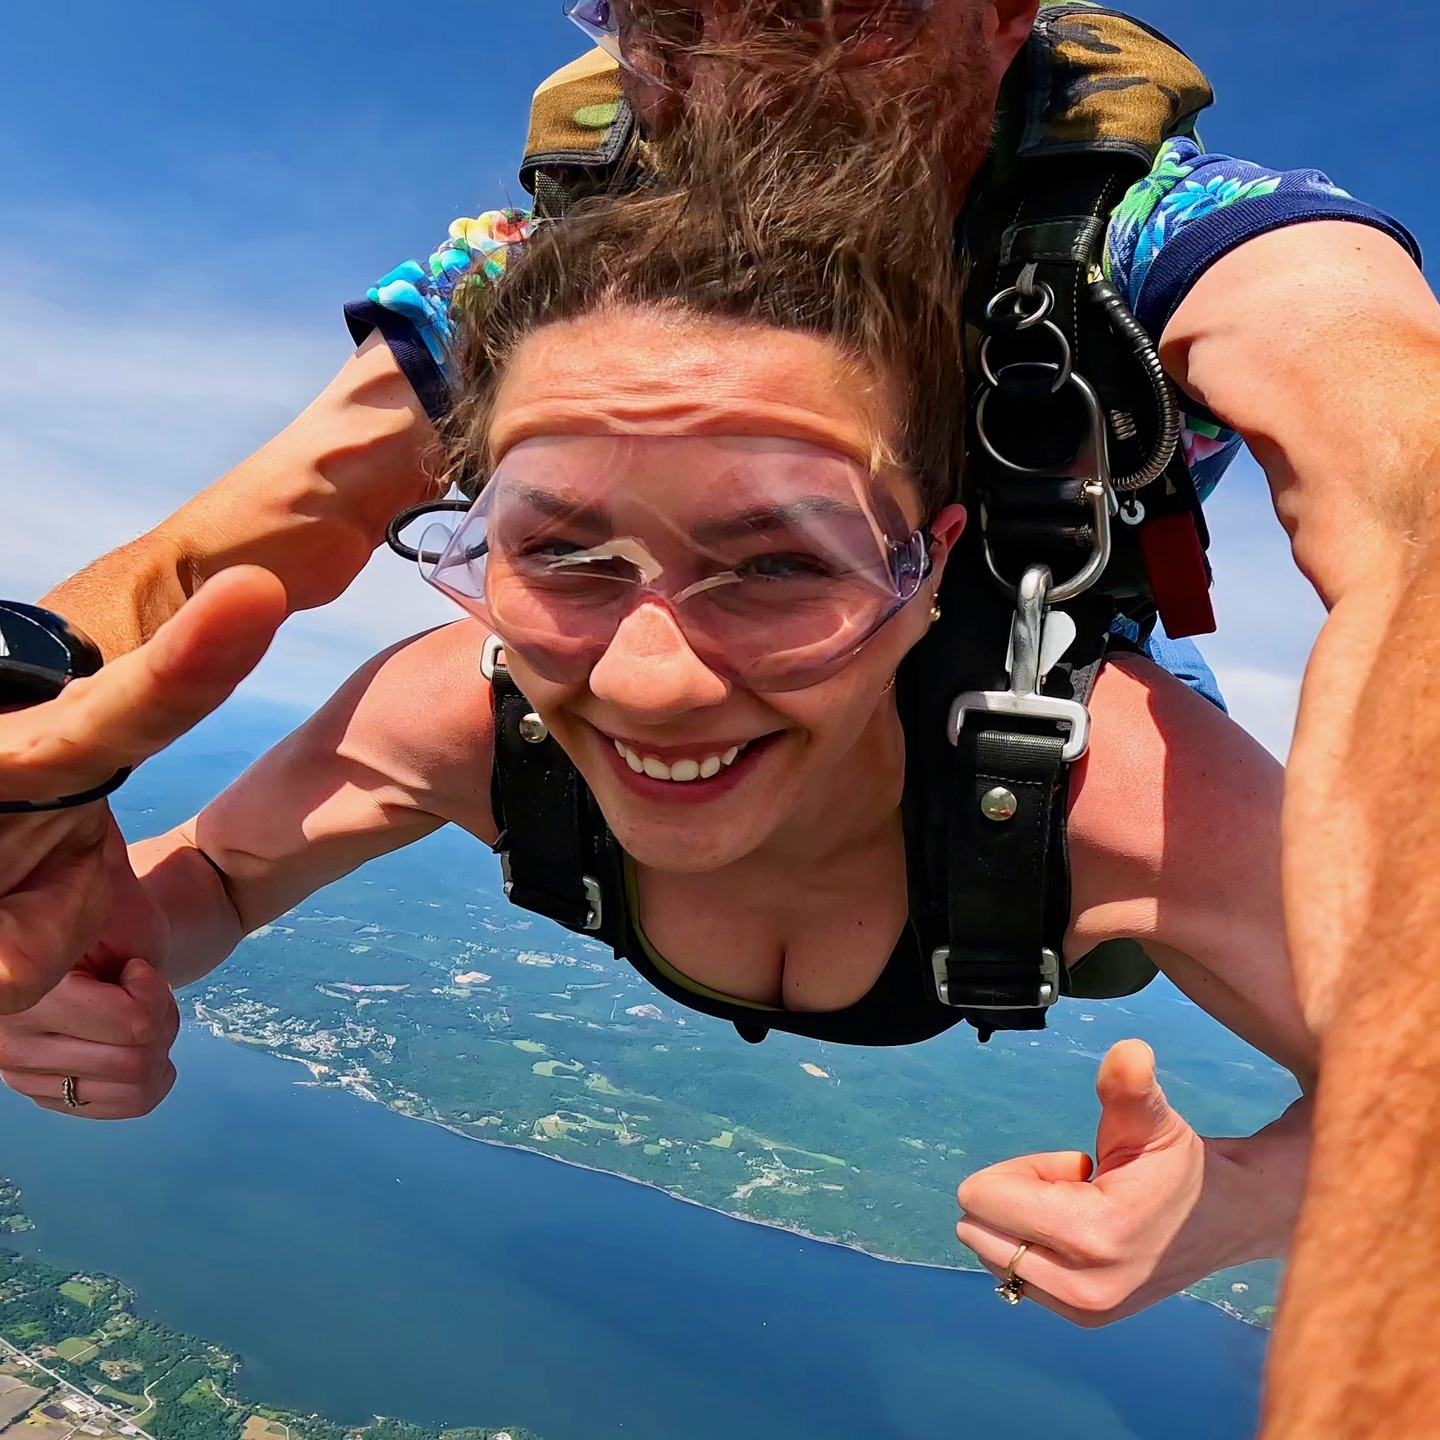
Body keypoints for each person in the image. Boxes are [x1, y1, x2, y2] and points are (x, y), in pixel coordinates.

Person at [0, 108, 1313, 1330]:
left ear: (931, 572)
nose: (647, 679)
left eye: (787, 562)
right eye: (561, 553)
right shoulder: (468, 706)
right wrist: (99, 961)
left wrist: (1244, 1203)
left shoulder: (1121, 789)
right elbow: (214, 877)